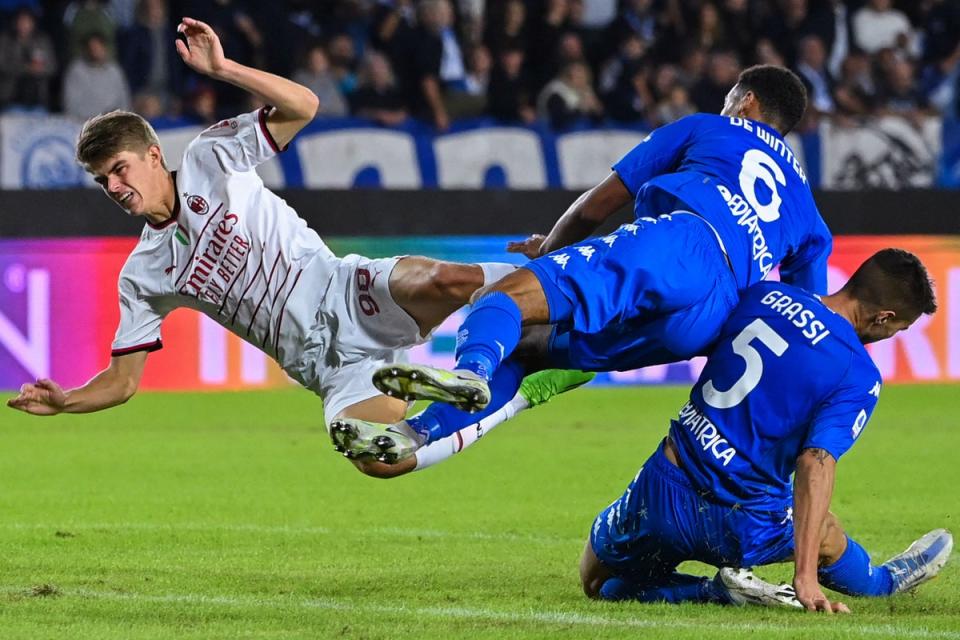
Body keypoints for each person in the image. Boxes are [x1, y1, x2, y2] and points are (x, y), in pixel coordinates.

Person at [5, 16, 590, 480]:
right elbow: (123, 381)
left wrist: (225, 66)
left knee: (447, 281)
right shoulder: (143, 273)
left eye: (119, 169)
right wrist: (68, 401)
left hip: (347, 292)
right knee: (382, 457)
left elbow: (304, 107)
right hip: (328, 367)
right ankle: (509, 394)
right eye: (102, 180)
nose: (113, 187)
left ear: (154, 156)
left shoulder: (211, 159)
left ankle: (573, 284)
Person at [335, 65, 832, 462]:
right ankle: (413, 434)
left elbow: (598, 204)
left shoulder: (710, 128)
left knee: (503, 299)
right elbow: (803, 312)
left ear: (745, 103)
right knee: (527, 349)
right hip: (709, 318)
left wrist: (552, 252)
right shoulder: (808, 211)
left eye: (729, 100)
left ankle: (473, 371)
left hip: (678, 243)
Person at [580, 248, 952, 612]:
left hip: (664, 491)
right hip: (744, 522)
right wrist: (805, 575)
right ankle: (885, 581)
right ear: (883, 318)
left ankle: (715, 593)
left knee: (599, 584)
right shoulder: (858, 375)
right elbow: (815, 462)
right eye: (899, 329)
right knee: (825, 532)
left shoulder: (765, 294)